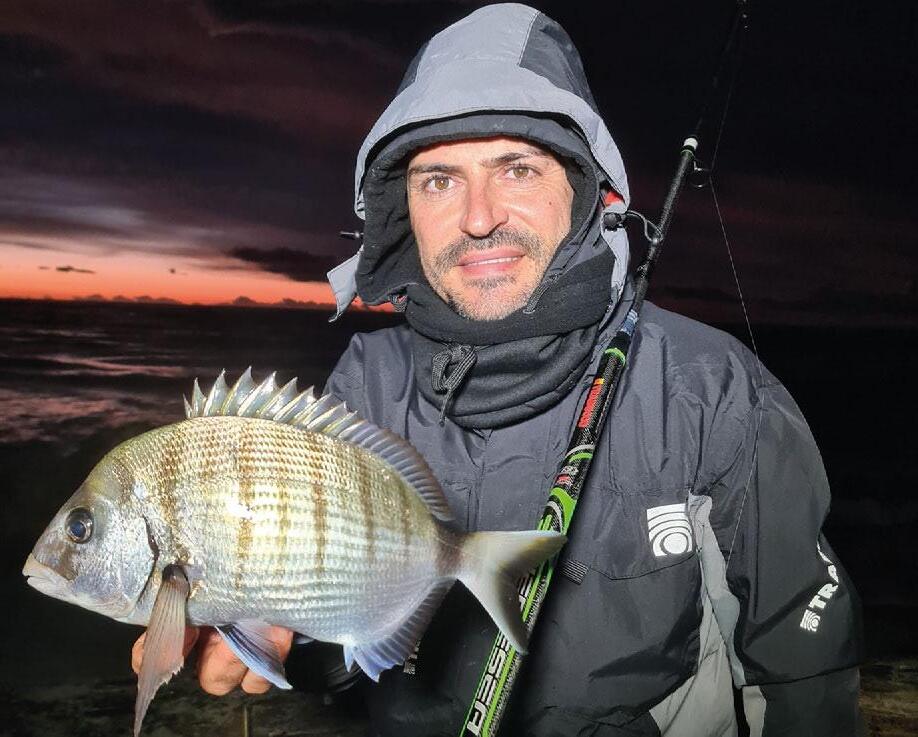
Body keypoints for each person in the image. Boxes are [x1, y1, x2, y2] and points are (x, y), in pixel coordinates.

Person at [133, 5, 863, 735]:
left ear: (588, 193)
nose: (478, 217)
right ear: (402, 210)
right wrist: (284, 630)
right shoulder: (364, 386)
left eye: (517, 169)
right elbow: (351, 662)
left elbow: (802, 662)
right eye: (439, 180)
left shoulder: (711, 390)